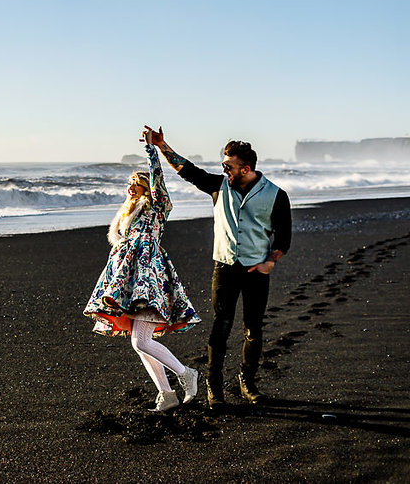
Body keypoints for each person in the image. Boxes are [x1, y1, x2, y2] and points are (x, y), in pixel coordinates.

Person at [144, 126, 291, 410]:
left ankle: (248, 382)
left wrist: (271, 261)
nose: (224, 170)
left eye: (229, 166)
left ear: (245, 168)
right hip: (224, 268)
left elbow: (284, 235)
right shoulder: (218, 186)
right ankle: (214, 386)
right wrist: (162, 146)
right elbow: (187, 170)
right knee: (221, 326)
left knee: (253, 329)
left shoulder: (275, 195)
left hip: (255, 272)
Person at [83, 130, 201, 412]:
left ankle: (186, 374)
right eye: (129, 184)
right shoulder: (129, 216)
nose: (130, 188)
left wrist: (152, 150)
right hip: (129, 283)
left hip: (150, 280)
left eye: (136, 184)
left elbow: (158, 178)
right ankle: (167, 394)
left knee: (141, 340)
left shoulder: (157, 209)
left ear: (148, 188)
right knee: (139, 343)